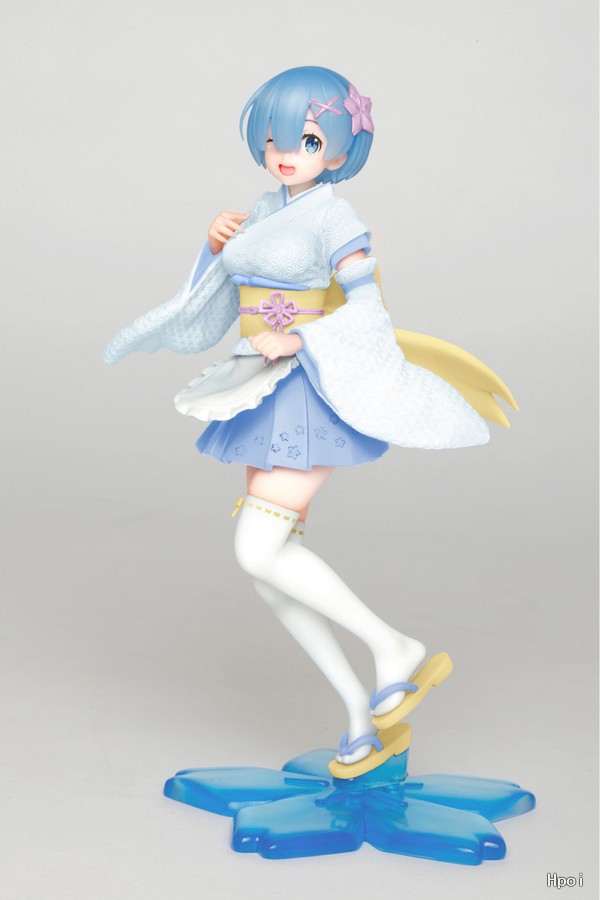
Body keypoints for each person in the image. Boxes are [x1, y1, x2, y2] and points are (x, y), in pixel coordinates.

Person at [105, 66, 516, 777]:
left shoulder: (335, 217)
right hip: (258, 388)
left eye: (309, 139)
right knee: (270, 573)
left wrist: (300, 338)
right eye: (274, 137)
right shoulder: (263, 207)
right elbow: (213, 301)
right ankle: (358, 712)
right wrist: (212, 247)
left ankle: (394, 647)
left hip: (306, 388)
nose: (286, 152)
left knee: (257, 551)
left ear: (341, 148)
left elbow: (368, 311)